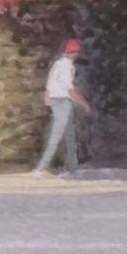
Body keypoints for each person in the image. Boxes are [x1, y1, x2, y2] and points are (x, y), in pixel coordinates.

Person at [32, 38, 92, 176]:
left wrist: (47, 99)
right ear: (76, 53)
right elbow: (70, 90)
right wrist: (84, 103)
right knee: (56, 136)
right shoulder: (66, 66)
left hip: (60, 101)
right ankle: (40, 168)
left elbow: (49, 84)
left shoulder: (58, 64)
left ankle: (73, 168)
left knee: (70, 136)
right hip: (62, 102)